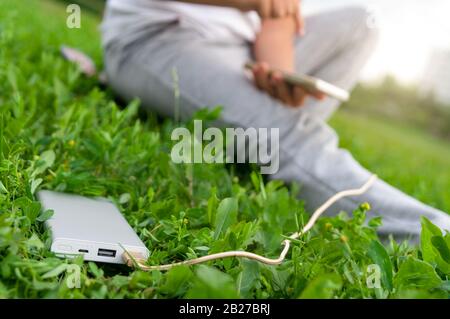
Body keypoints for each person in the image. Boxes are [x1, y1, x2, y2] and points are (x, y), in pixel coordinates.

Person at [101, 0, 450, 242]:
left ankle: (270, 146)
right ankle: (436, 234)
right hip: (158, 35)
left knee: (361, 24)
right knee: (287, 133)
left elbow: (277, 18)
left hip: (240, 46)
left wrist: (281, 76)